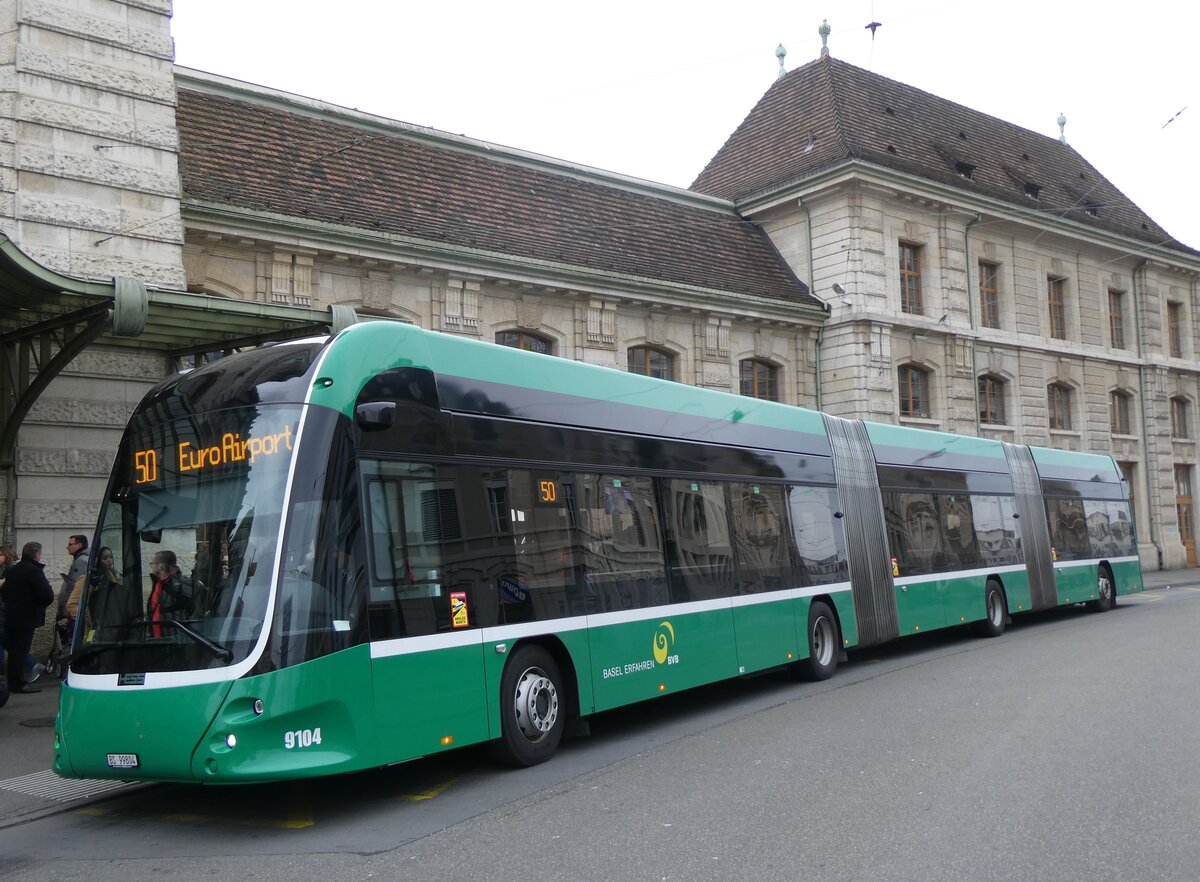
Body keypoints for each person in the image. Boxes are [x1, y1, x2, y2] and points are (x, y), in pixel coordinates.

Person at [0, 542, 54, 694]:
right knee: (20, 651)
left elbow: (5, 592)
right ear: (37, 554)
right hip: (26, 616)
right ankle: (17, 683)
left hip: (11, 614)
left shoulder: (14, 569)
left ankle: (13, 681)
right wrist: (38, 606)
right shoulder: (34, 571)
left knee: (14, 651)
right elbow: (47, 595)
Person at [147, 550, 192, 637]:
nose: (151, 566)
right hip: (157, 638)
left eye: (152, 563)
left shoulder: (184, 584)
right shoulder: (158, 583)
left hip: (175, 639)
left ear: (161, 566)